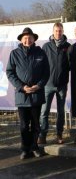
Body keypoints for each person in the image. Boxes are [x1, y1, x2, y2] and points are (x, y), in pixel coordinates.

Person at [6, 27, 49, 159]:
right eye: (25, 38)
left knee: (36, 125)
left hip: (36, 94)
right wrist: (22, 86)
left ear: (34, 39)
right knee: (24, 125)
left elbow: (46, 73)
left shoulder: (41, 53)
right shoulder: (14, 53)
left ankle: (34, 147)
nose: (27, 40)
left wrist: (38, 86)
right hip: (22, 95)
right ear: (21, 39)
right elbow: (10, 72)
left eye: (30, 38)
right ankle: (25, 149)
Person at [38, 22, 70, 145]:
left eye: (60, 31)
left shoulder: (68, 46)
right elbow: (40, 65)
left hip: (62, 85)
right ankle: (42, 135)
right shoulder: (46, 46)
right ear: (53, 32)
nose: (58, 33)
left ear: (63, 31)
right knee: (44, 111)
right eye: (56, 31)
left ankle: (59, 134)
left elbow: (70, 65)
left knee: (61, 112)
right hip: (48, 85)